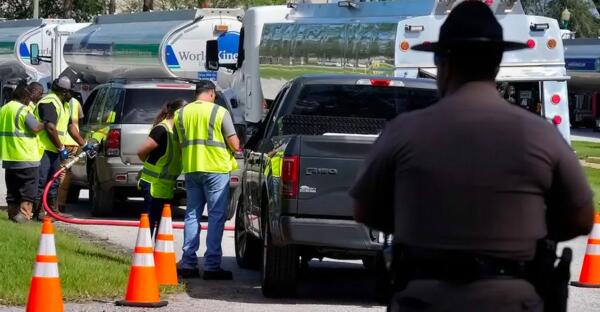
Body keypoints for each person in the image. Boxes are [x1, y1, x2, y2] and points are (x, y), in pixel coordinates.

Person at [350, 2, 594, 311]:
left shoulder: (404, 131)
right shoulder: (541, 134)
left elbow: (364, 209)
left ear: (445, 64)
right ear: (496, 63)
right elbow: (582, 217)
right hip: (512, 299)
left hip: (425, 298)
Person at [174, 80, 239, 280]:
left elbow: (179, 142)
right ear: (211, 93)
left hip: (193, 168)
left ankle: (188, 263)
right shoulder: (219, 112)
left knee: (192, 215)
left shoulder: (181, 114)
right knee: (216, 216)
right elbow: (235, 144)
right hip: (216, 169)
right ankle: (211, 266)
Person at [33, 76, 93, 220]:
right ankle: (38, 213)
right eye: (70, 92)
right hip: (43, 149)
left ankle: (53, 211)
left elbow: (71, 127)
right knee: (42, 182)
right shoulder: (50, 102)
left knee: (54, 181)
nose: (72, 95)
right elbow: (50, 127)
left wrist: (84, 145)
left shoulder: (64, 104)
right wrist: (61, 148)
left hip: (53, 149)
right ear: (64, 92)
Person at [137, 99, 186, 237]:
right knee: (150, 223)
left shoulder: (175, 133)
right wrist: (148, 164)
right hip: (153, 184)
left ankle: (157, 255)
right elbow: (142, 152)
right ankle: (144, 255)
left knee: (163, 224)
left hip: (165, 187)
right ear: (175, 113)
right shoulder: (162, 129)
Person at [0, 82, 44, 222]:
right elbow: (35, 128)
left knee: (12, 189)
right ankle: (24, 215)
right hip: (26, 156)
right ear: (25, 97)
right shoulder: (22, 110)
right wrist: (45, 123)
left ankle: (12, 215)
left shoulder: (4, 109)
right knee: (28, 188)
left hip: (9, 157)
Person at [56, 91, 85, 213]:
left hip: (62, 141)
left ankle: (55, 205)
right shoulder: (76, 103)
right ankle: (61, 204)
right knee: (66, 173)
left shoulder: (59, 102)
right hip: (74, 142)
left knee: (59, 172)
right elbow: (81, 120)